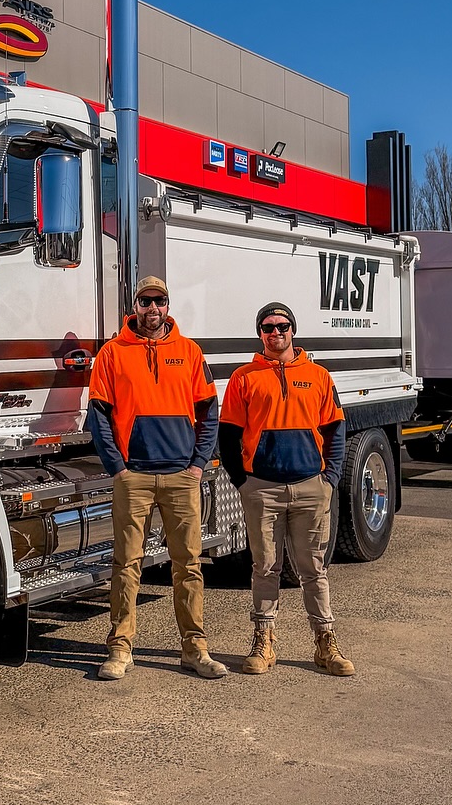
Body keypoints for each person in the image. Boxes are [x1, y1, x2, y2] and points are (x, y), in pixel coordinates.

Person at [86, 275, 226, 681]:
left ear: (168, 305)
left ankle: (194, 649)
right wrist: (119, 469)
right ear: (135, 306)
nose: (153, 309)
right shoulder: (113, 353)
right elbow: (99, 415)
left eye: (159, 301)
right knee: (127, 564)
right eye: (145, 301)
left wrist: (198, 464)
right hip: (135, 477)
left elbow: (209, 412)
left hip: (182, 476)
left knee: (189, 565)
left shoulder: (189, 352)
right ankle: (120, 647)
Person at [218, 301, 356, 677]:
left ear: (293, 330)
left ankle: (326, 644)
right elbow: (228, 436)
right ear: (260, 334)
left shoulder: (318, 376)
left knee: (313, 569)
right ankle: (264, 642)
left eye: (282, 326)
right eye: (267, 327)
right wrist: (242, 482)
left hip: (311, 486)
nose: (275, 333)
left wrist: (329, 481)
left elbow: (335, 431)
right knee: (265, 567)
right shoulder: (244, 378)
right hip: (261, 488)